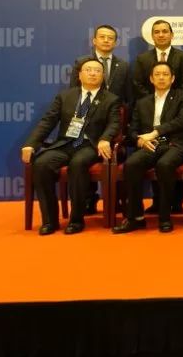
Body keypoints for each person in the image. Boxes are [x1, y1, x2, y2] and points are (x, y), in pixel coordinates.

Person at [21, 58, 120, 235]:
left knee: (78, 164)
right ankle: (50, 221)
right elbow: (47, 122)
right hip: (65, 143)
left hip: (90, 145)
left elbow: (114, 123)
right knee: (42, 164)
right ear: (79, 75)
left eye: (97, 71)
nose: (92, 73)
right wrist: (31, 144)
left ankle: (76, 219)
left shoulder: (111, 99)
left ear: (103, 76)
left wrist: (105, 139)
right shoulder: (65, 96)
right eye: (88, 70)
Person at [112, 62, 183, 234]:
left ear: (172, 78)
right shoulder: (142, 102)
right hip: (150, 145)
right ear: (151, 78)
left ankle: (165, 217)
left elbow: (181, 121)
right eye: (157, 74)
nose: (161, 78)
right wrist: (139, 141)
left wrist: (155, 132)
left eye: (165, 74)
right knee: (131, 164)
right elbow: (132, 130)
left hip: (174, 144)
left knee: (164, 165)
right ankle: (136, 217)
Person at [132, 19, 183, 214]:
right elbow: (137, 84)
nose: (161, 34)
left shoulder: (182, 57)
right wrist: (153, 100)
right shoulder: (143, 59)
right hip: (150, 130)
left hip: (174, 132)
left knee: (166, 163)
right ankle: (142, 212)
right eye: (157, 31)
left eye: (165, 31)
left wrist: (170, 101)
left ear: (171, 34)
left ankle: (173, 207)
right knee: (137, 162)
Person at [70, 24, 131, 215]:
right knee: (81, 158)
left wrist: (124, 123)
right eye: (102, 37)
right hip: (87, 124)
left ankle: (116, 200)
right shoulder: (82, 62)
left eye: (110, 38)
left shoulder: (123, 65)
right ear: (94, 40)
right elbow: (74, 94)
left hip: (114, 123)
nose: (106, 40)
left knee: (118, 157)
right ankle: (89, 200)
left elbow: (127, 97)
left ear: (116, 42)